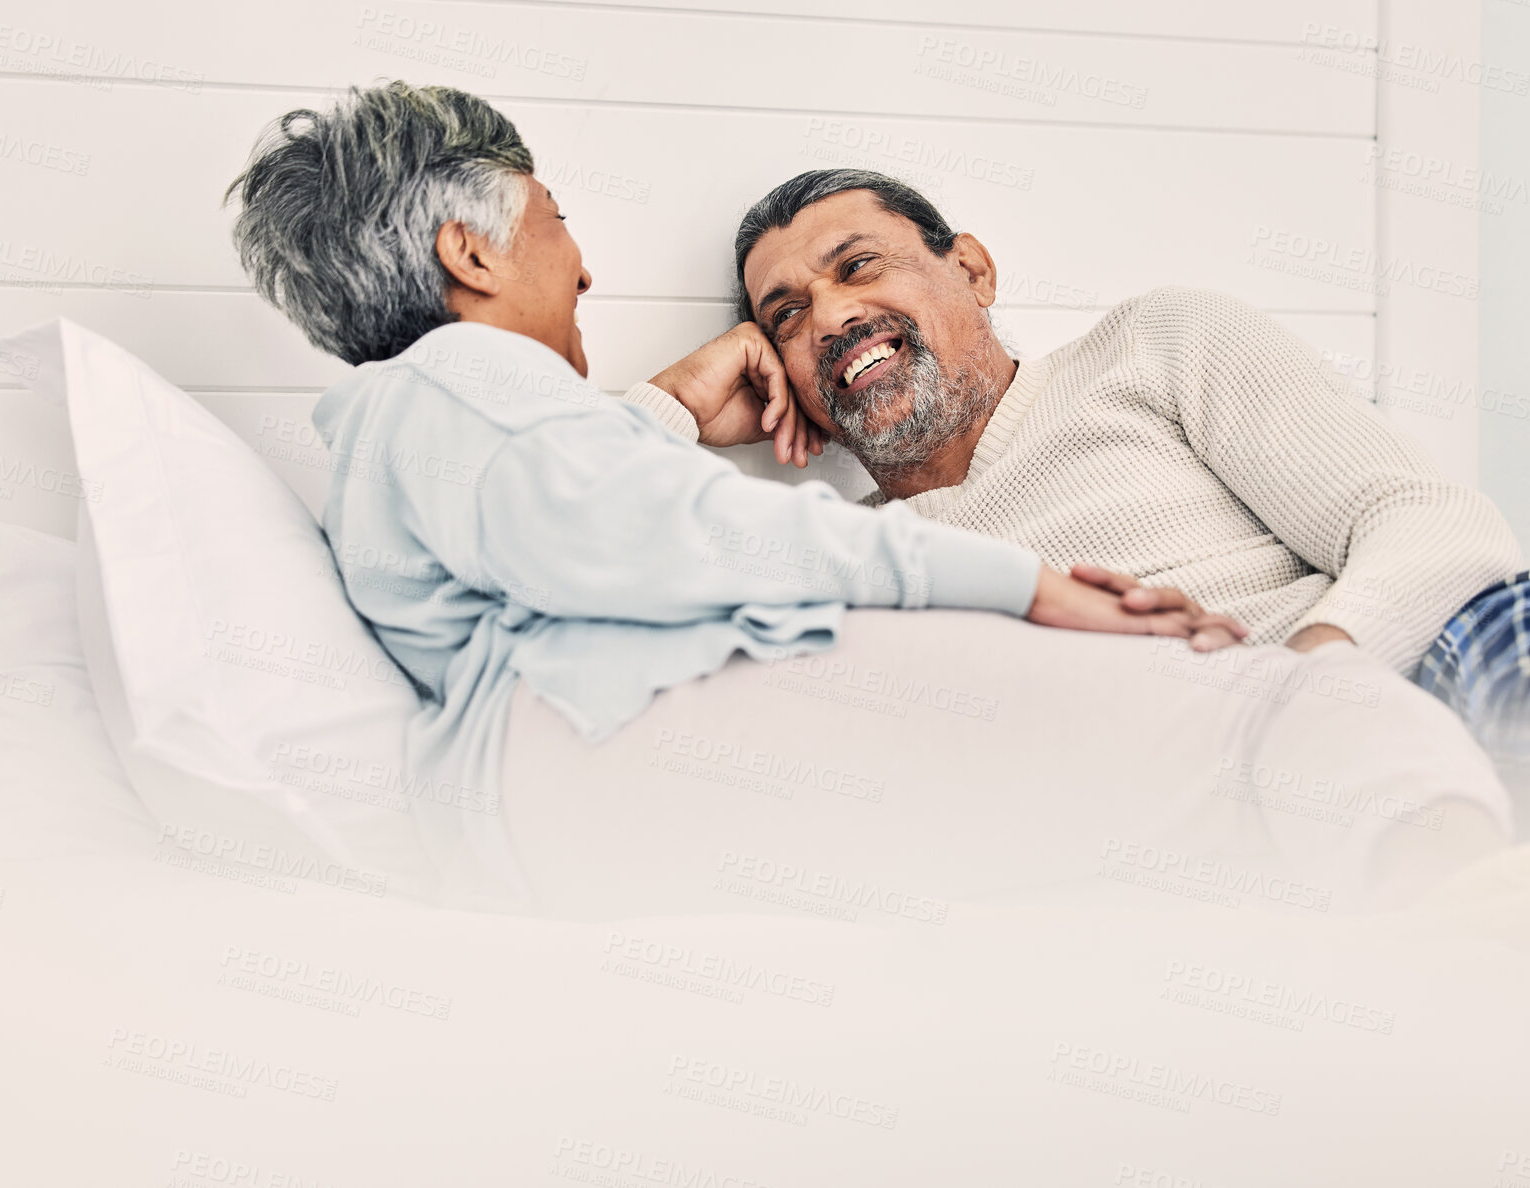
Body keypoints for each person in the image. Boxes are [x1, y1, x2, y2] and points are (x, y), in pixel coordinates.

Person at [221, 84, 1244, 790]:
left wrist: (662, 405)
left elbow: (569, 523)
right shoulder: (458, 380)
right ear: (470, 253)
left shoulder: (416, 428)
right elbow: (678, 532)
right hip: (593, 775)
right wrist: (1028, 586)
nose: (582, 274)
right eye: (555, 218)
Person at [725, 168, 1530, 856]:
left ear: (970, 269)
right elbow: (600, 545)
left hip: (1408, 680)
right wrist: (678, 410)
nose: (834, 315)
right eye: (788, 316)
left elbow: (1434, 524)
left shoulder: (1155, 344)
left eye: (858, 267)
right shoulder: (856, 558)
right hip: (1226, 820)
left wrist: (1314, 679)